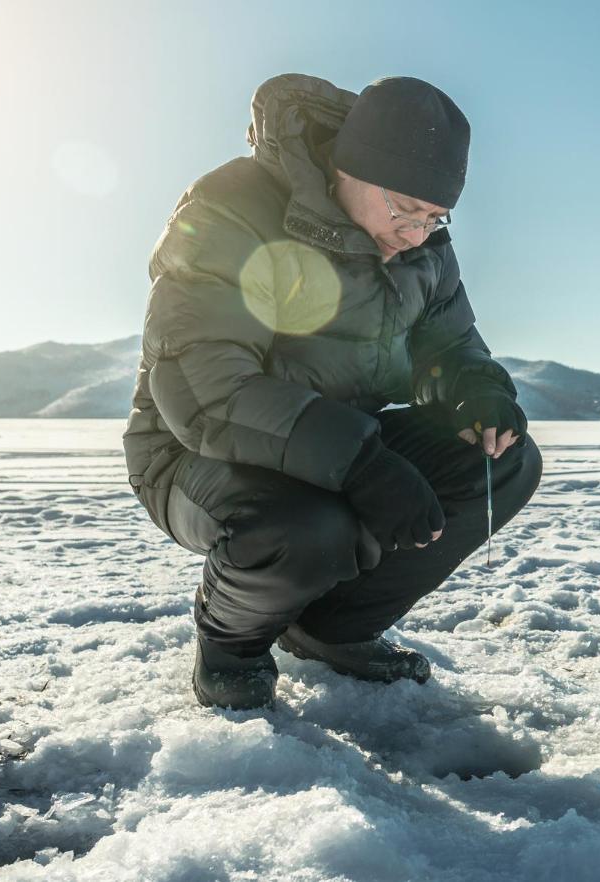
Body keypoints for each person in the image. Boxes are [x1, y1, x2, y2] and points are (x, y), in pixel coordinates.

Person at [121, 74, 542, 710]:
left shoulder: (425, 252)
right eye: (402, 208)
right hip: (195, 453)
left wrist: (479, 395)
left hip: (341, 441)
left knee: (500, 462)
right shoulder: (232, 210)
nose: (415, 234)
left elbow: (454, 347)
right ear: (349, 169)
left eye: (435, 216)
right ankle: (232, 647)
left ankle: (331, 631)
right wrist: (363, 463)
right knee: (308, 526)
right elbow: (207, 392)